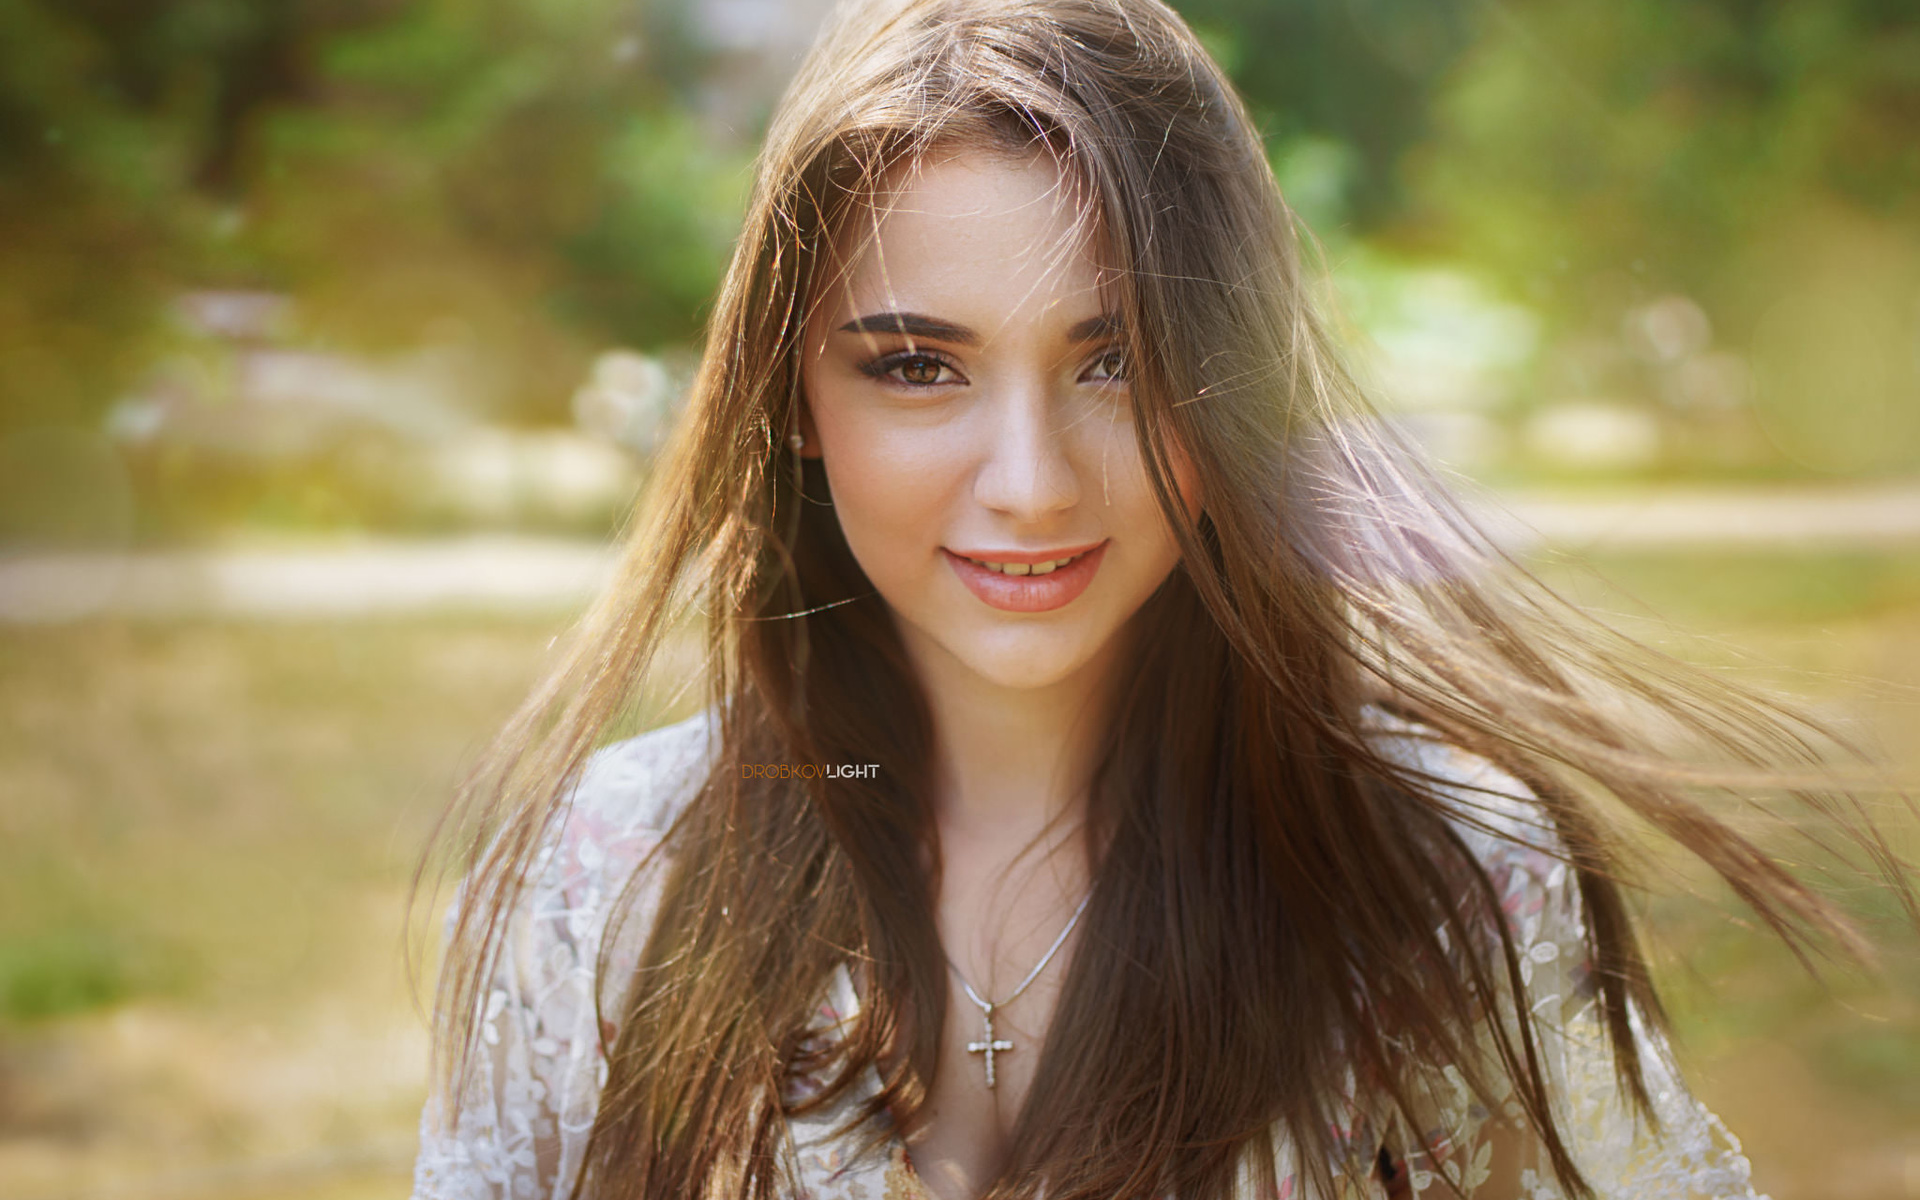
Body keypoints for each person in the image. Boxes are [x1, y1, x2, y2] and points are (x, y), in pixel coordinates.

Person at [407, 1, 1912, 1198]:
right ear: (794, 396)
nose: (1032, 482)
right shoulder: (600, 881)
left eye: (1113, 361)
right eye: (919, 366)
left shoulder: (1444, 881)